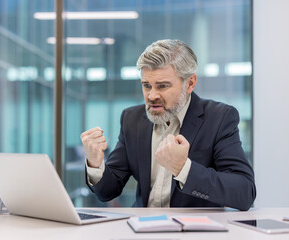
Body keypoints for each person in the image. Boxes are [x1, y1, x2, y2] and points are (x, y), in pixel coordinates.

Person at [80, 39, 256, 211]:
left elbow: (244, 192)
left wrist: (183, 168)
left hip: (195, 230)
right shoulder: (131, 119)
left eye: (162, 86)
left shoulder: (219, 118)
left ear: (190, 83)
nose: (152, 96)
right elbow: (108, 191)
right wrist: (96, 165)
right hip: (142, 228)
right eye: (146, 85)